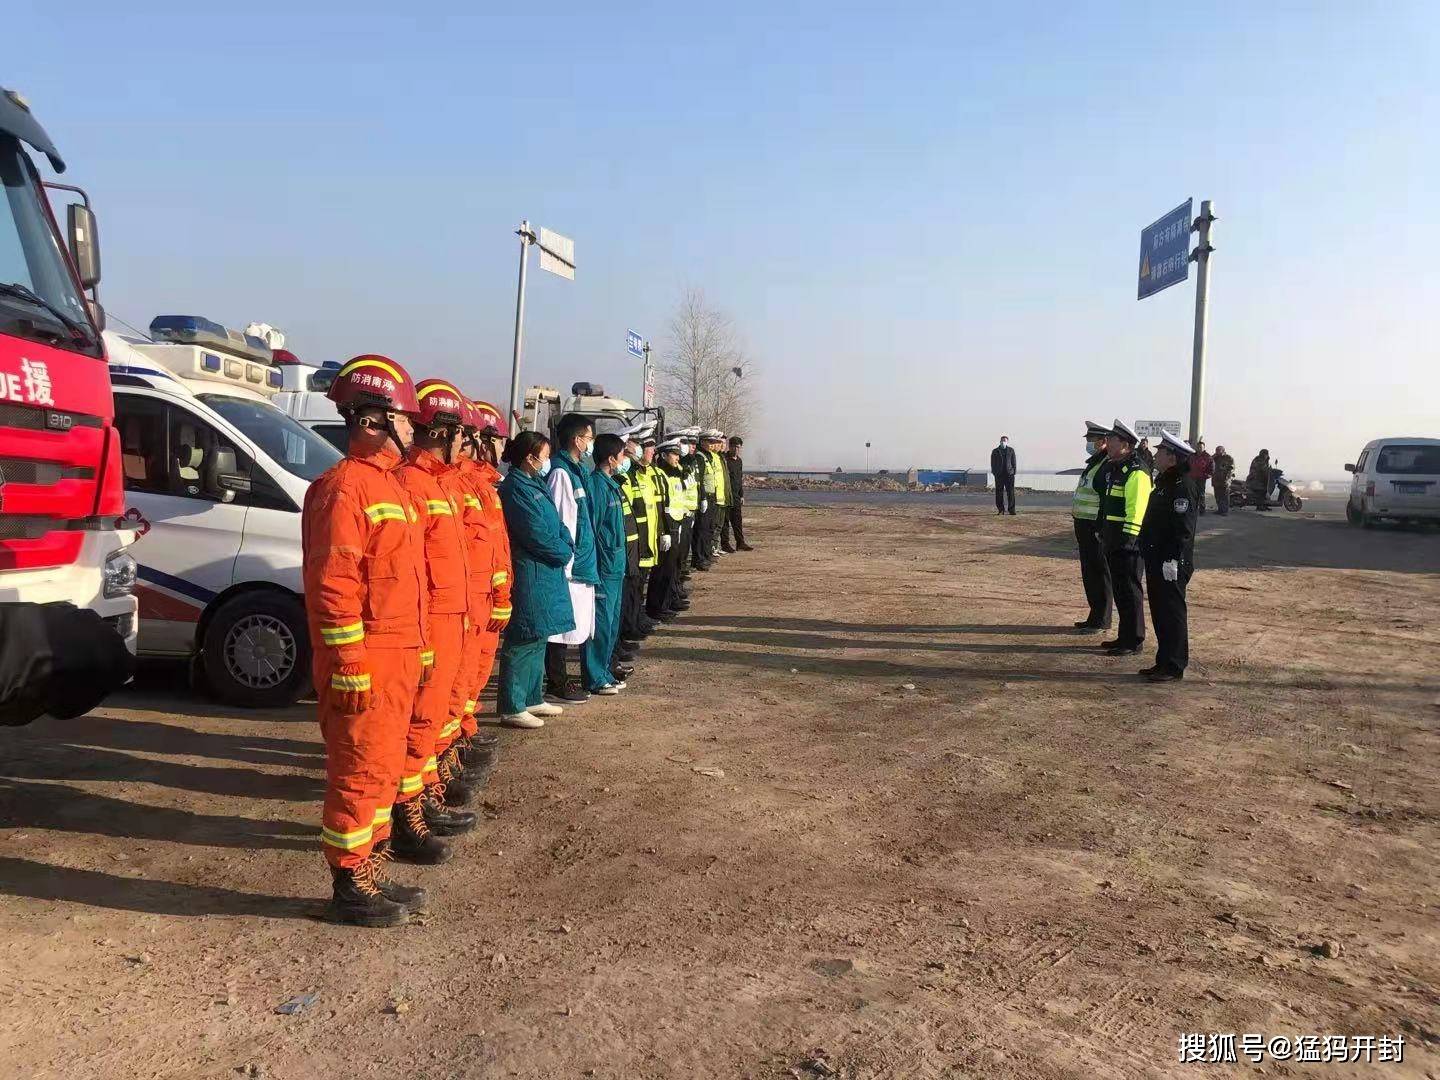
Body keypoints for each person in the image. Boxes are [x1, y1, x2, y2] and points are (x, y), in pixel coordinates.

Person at [301, 354, 431, 928]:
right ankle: (350, 883)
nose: (413, 431)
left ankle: (370, 866)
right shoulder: (345, 490)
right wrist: (349, 662)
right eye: (404, 420)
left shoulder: (391, 488)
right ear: (374, 420)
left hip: (397, 656)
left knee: (382, 768)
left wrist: (422, 649)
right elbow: (334, 586)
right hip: (368, 660)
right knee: (359, 771)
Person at [392, 379, 478, 850]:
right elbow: (414, 572)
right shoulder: (412, 484)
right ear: (443, 433)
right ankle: (407, 813)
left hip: (453, 617)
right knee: (420, 719)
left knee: (434, 716)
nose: (467, 444)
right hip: (432, 622)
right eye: (462, 435)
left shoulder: (437, 484)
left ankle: (424, 794)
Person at [435, 399, 507, 790]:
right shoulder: (452, 485)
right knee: (445, 692)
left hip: (477, 602)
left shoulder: (481, 485)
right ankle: (441, 762)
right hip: (456, 607)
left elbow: (494, 548)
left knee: (468, 682)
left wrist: (500, 592)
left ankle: (460, 739)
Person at [496, 431, 574, 729]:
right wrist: (562, 551)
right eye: (544, 456)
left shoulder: (535, 483)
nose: (547, 461)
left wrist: (566, 544)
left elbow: (558, 524)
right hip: (530, 570)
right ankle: (512, 705)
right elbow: (535, 533)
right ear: (530, 458)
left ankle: (532, 697)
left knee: (539, 635)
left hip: (547, 569)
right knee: (523, 636)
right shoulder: (516, 489)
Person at [544, 414, 599, 703]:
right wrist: (566, 562)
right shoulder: (561, 473)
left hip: (580, 561)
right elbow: (562, 522)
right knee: (560, 628)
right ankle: (557, 681)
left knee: (573, 624)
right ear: (577, 440)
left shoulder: (577, 471)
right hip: (569, 564)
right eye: (589, 438)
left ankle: (561, 678)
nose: (590, 443)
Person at [1140, 432, 1200, 682]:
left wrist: (1173, 559)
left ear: (1172, 458)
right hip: (1156, 558)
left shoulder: (1182, 486)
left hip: (1170, 561)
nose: (1156, 456)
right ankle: (1163, 661)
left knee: (1172, 613)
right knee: (1160, 612)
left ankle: (1174, 665)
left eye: (1160, 452)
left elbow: (1183, 529)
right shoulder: (1165, 483)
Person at [1097, 419, 1153, 657]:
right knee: (1121, 591)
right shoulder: (1118, 468)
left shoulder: (1136, 471)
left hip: (1127, 543)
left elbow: (1136, 510)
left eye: (1112, 440)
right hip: (1114, 540)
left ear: (1126, 445)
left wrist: (1128, 541)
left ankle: (1133, 640)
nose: (1107, 443)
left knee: (1130, 592)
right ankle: (1124, 636)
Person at [583, 433, 630, 696]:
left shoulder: (611, 485)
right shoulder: (597, 487)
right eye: (622, 455)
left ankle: (604, 672)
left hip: (615, 567)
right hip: (604, 568)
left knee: (611, 625)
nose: (624, 460)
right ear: (611, 459)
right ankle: (594, 676)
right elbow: (593, 529)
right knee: (600, 625)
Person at [1070, 421, 1113, 634]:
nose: (1088, 443)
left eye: (1091, 440)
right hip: (1083, 524)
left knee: (1100, 572)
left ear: (1103, 441)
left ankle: (1102, 619)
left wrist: (1100, 527)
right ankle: (1094, 615)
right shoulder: (1094, 462)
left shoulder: (1106, 464)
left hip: (1094, 526)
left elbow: (1106, 499)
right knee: (1089, 572)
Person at [646, 437, 685, 621]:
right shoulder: (661, 475)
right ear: (663, 455)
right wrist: (665, 531)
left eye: (678, 454)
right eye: (673, 454)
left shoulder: (674, 473)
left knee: (671, 568)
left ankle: (666, 603)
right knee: (662, 570)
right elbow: (663, 505)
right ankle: (657, 607)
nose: (677, 458)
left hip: (675, 524)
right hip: (666, 526)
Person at [722, 435, 753, 551]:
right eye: (734, 447)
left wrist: (741, 495)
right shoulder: (724, 460)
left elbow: (739, 479)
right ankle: (725, 544)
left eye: (738, 447)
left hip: (736, 496)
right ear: (729, 447)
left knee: (737, 521)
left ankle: (740, 543)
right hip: (726, 495)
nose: (736, 449)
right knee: (725, 522)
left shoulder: (739, 461)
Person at [704, 430, 731, 558]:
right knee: (713, 526)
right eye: (719, 443)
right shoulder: (710, 457)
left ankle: (715, 547)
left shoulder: (720, 458)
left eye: (722, 443)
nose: (721, 445)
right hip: (715, 498)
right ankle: (711, 548)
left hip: (722, 497)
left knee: (719, 525)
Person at [990, 436, 1017, 515]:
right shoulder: (995, 451)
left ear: (1007, 442)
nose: (1003, 442)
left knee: (1011, 492)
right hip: (999, 475)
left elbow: (1014, 462)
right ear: (1000, 441)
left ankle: (1011, 510)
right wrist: (995, 473)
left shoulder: (1011, 450)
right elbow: (993, 463)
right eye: (1002, 440)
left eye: (1004, 440)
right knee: (999, 493)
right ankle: (1001, 510)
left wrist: (1013, 472)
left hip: (1009, 474)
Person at [1188, 440, 1214, 515]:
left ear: (1204, 448)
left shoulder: (1207, 457)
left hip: (1201, 479)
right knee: (1192, 494)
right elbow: (1187, 465)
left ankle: (1202, 510)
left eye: (1201, 447)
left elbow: (1212, 468)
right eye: (1198, 447)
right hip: (1192, 478)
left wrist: (1207, 475)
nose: (1199, 448)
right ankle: (1193, 509)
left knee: (1201, 494)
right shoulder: (1192, 456)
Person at [1212, 444, 1235, 515]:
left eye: (1218, 450)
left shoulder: (1228, 458)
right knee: (1217, 495)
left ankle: (1225, 511)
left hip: (1225, 480)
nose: (1217, 452)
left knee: (1224, 496)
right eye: (1216, 450)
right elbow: (1209, 462)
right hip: (1216, 480)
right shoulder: (1215, 458)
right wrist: (1213, 456)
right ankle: (1220, 509)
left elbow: (1231, 469)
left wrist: (1228, 479)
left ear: (1223, 451)